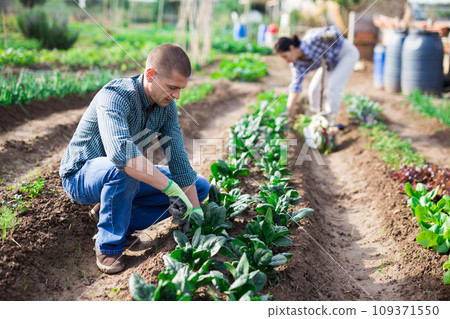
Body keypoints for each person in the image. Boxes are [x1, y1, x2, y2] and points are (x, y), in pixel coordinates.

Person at [59, 43, 210, 274]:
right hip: (81, 175)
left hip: (122, 175)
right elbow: (122, 156)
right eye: (172, 87)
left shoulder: (165, 107)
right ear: (150, 75)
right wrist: (171, 189)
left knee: (198, 187)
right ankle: (108, 245)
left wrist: (195, 212)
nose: (177, 95)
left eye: (181, 89)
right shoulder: (115, 96)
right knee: (123, 168)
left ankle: (113, 218)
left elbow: (177, 158)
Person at [274, 25, 359, 126]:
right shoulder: (297, 65)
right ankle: (317, 118)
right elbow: (295, 87)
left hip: (345, 53)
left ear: (292, 48)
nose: (286, 60)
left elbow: (333, 29)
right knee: (314, 89)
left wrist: (331, 35)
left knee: (333, 86)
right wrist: (287, 111)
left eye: (285, 56)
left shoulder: (310, 40)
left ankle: (330, 121)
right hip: (329, 62)